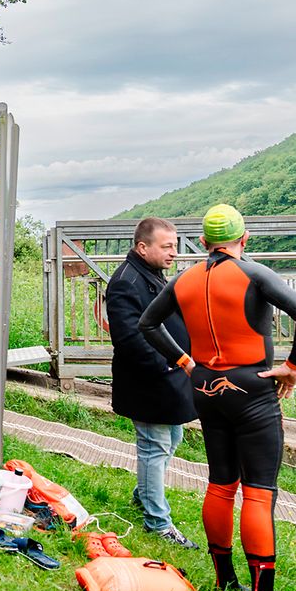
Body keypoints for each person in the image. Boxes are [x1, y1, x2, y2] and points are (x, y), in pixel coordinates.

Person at [140, 204, 296, 591]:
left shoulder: (184, 278)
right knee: (258, 491)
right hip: (252, 389)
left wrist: (186, 363)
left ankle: (225, 578)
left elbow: (148, 324)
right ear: (245, 238)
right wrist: (292, 368)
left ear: (202, 243)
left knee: (221, 484)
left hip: (205, 386)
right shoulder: (253, 273)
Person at [106, 217, 198, 548]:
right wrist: (169, 365)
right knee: (154, 446)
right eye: (167, 246)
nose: (174, 252)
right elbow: (129, 338)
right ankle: (158, 522)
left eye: (175, 245)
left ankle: (144, 494)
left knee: (171, 439)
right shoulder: (126, 282)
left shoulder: (150, 274)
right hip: (148, 381)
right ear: (143, 248)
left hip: (165, 378)